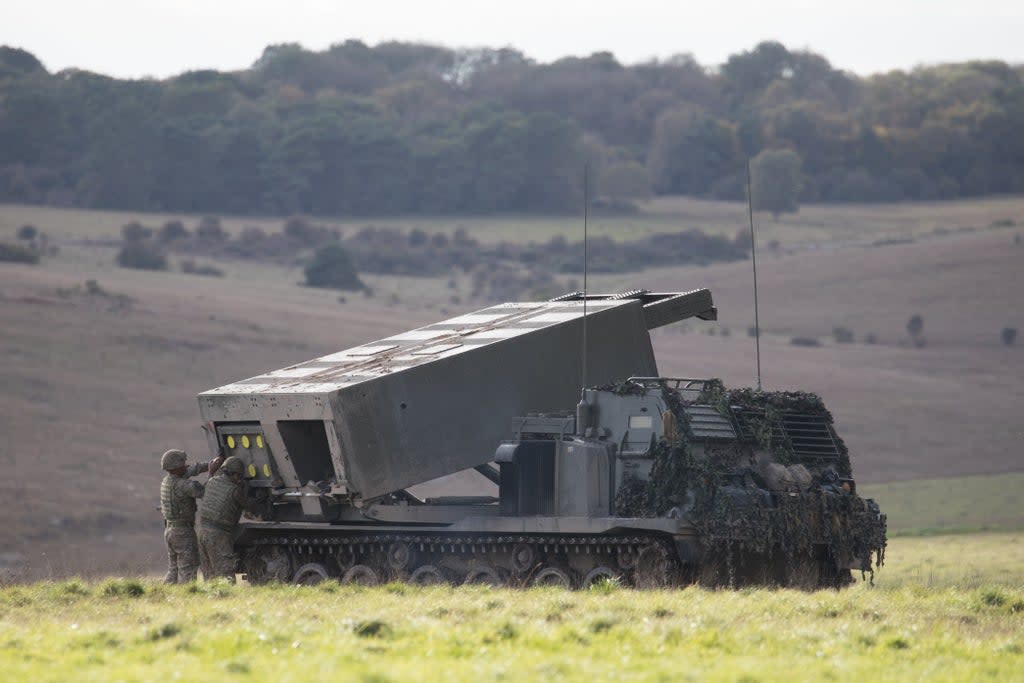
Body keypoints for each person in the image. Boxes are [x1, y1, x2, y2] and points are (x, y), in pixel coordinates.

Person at [159, 448, 215, 584]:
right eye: (183, 464)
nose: (186, 466)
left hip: (170, 531)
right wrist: (212, 473)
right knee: (188, 569)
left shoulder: (167, 481)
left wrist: (209, 464)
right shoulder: (184, 485)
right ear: (177, 468)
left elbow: (191, 470)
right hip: (183, 533)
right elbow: (205, 492)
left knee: (173, 569)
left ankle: (165, 595)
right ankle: (187, 594)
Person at [197, 455, 248, 581]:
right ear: (234, 474)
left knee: (209, 574)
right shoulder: (234, 490)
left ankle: (211, 598)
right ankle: (227, 598)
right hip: (219, 534)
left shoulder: (211, 481)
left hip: (202, 532)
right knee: (226, 572)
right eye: (239, 476)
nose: (239, 479)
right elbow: (248, 505)